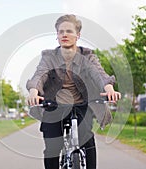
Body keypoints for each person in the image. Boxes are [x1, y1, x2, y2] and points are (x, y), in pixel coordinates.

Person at [26, 14, 121, 169]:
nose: (64, 34)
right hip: (54, 105)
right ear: (57, 36)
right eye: (61, 31)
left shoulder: (88, 56)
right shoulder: (49, 56)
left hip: (81, 104)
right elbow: (40, 74)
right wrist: (33, 91)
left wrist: (109, 88)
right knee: (52, 147)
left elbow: (99, 74)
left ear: (77, 35)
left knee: (87, 139)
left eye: (69, 31)